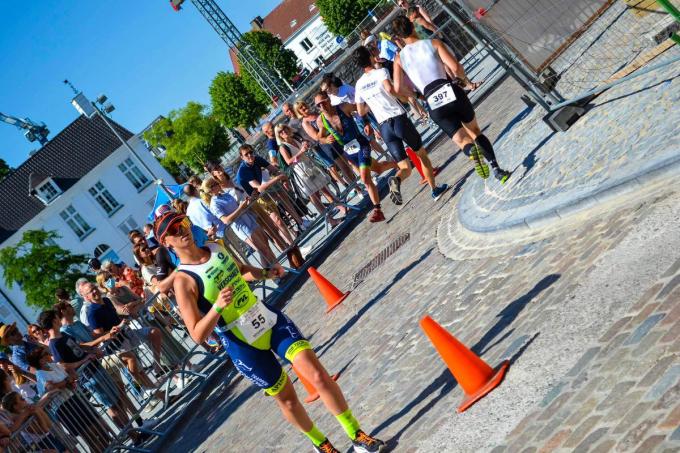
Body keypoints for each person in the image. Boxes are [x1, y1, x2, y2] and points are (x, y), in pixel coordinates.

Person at [155, 211, 385, 453]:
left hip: (265, 318)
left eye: (182, 223)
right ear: (166, 242)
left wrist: (265, 273)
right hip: (241, 342)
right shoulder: (183, 281)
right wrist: (217, 308)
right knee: (287, 398)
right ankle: (322, 444)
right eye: (173, 230)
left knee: (316, 374)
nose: (181, 230)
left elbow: (241, 269)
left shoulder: (215, 247)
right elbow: (196, 334)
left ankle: (356, 435)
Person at [392, 15, 512, 183]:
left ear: (398, 36)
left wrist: (418, 95)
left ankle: (471, 152)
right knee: (475, 131)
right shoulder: (433, 43)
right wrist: (462, 81)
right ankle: (496, 169)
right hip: (450, 90)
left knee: (462, 140)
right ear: (412, 26)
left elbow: (397, 89)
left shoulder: (399, 59)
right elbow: (455, 67)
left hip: (432, 100)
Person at [353, 45, 448, 204]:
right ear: (370, 56)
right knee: (421, 154)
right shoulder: (380, 72)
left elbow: (360, 111)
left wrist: (372, 107)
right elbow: (390, 89)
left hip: (384, 127)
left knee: (405, 167)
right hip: (398, 119)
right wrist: (406, 96)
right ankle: (434, 189)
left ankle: (395, 180)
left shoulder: (359, 84)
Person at [315, 91, 394, 223]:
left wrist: (367, 123)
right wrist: (325, 140)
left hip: (361, 144)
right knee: (378, 169)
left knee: (365, 178)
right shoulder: (321, 121)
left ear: (328, 100)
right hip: (349, 151)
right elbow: (319, 137)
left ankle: (377, 210)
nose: (321, 106)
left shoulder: (343, 107)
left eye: (323, 102)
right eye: (318, 105)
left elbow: (361, 107)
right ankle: (400, 163)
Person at [201, 177, 285, 273]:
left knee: (266, 247)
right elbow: (226, 220)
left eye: (216, 182)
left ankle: (277, 271)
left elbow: (237, 207)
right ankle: (276, 274)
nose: (218, 184)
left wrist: (246, 202)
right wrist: (241, 207)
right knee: (263, 249)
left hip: (249, 220)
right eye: (214, 184)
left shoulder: (225, 194)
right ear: (210, 189)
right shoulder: (214, 204)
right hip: (241, 228)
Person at [274, 124, 347, 228]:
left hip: (310, 166)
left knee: (325, 190)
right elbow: (289, 161)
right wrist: (301, 151)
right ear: (279, 135)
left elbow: (304, 149)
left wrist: (306, 146)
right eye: (281, 132)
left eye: (285, 129)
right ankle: (331, 220)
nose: (284, 132)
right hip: (301, 173)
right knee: (315, 198)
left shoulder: (295, 138)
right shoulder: (283, 147)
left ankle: (342, 208)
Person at [236, 144, 309, 231]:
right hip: (251, 199)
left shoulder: (257, 159)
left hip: (259, 192)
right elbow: (259, 188)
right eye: (246, 154)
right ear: (242, 157)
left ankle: (301, 223)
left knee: (282, 195)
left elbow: (274, 170)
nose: (249, 155)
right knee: (276, 221)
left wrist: (284, 179)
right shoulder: (243, 171)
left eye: (251, 152)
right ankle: (289, 242)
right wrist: (279, 178)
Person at [294, 101, 356, 188]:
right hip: (328, 145)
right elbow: (316, 137)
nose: (304, 108)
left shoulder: (317, 113)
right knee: (343, 167)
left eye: (304, 105)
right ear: (299, 112)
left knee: (349, 163)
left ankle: (357, 184)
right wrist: (321, 128)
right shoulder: (305, 123)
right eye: (301, 108)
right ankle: (356, 188)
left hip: (337, 139)